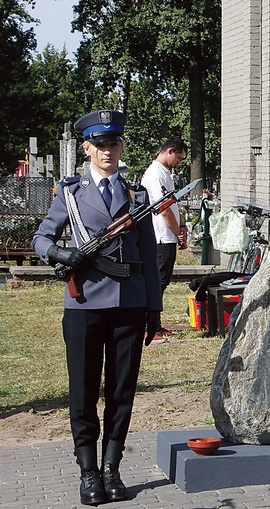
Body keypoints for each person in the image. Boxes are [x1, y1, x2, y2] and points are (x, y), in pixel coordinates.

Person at [31, 110, 162, 505]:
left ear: (121, 146)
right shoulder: (70, 193)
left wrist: (153, 310)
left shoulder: (137, 196)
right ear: (87, 148)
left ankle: (112, 467)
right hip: (84, 302)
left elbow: (150, 257)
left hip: (129, 303)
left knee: (121, 391)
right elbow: (41, 237)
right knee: (84, 390)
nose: (108, 151)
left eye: (114, 143)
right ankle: (88, 471)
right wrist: (59, 253)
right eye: (100, 144)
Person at [140, 137, 188, 342]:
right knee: (156, 283)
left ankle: (155, 323)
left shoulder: (165, 174)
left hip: (167, 235)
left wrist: (182, 225)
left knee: (163, 281)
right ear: (169, 151)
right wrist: (177, 231)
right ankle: (145, 326)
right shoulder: (155, 174)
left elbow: (173, 204)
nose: (179, 161)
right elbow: (164, 209)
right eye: (178, 157)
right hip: (160, 236)